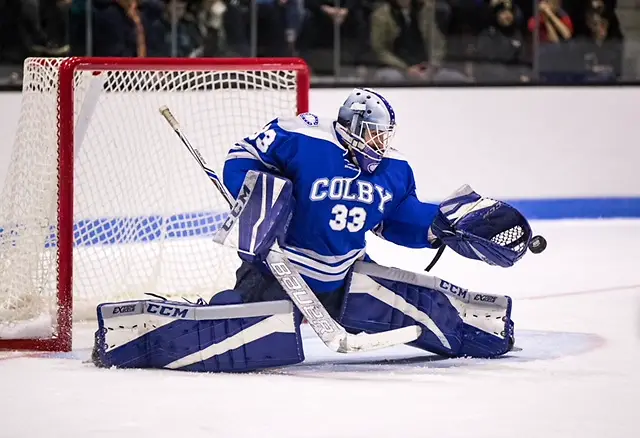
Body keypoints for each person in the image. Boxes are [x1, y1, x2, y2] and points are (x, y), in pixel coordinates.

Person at [92, 88, 535, 372]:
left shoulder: (394, 171)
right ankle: (135, 333)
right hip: (280, 271)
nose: (381, 143)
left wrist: (439, 228)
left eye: (386, 134)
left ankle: (483, 326)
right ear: (355, 127)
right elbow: (242, 155)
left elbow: (397, 218)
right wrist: (256, 193)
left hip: (347, 275)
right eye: (375, 133)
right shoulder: (303, 137)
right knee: (236, 334)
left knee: (416, 305)